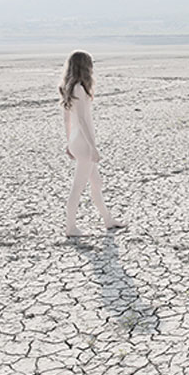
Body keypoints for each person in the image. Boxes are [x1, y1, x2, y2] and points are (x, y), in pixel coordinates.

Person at [58, 50, 126, 237]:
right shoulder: (79, 88)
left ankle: (108, 219)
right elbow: (81, 120)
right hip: (83, 142)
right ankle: (70, 227)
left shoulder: (68, 87)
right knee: (78, 186)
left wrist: (69, 142)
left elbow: (67, 120)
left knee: (96, 182)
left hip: (76, 140)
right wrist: (92, 147)